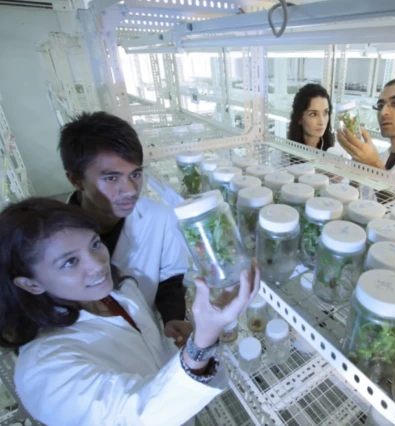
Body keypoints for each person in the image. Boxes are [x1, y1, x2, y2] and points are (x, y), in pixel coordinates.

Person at [1, 198, 260, 425]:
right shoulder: (43, 371)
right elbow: (136, 417)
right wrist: (202, 343)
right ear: (30, 283)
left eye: (94, 244)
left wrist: (185, 341)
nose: (98, 264)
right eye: (70, 261)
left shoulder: (116, 292)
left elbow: (150, 365)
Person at [59, 112, 191, 347]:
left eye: (136, 174)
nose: (129, 190)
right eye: (111, 178)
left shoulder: (158, 217)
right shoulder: (52, 242)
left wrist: (172, 318)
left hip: (150, 337)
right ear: (76, 180)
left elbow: (170, 278)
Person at [288, 83, 334, 151]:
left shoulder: (334, 151)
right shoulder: (284, 152)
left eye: (325, 113)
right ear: (299, 118)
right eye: (313, 114)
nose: (321, 122)